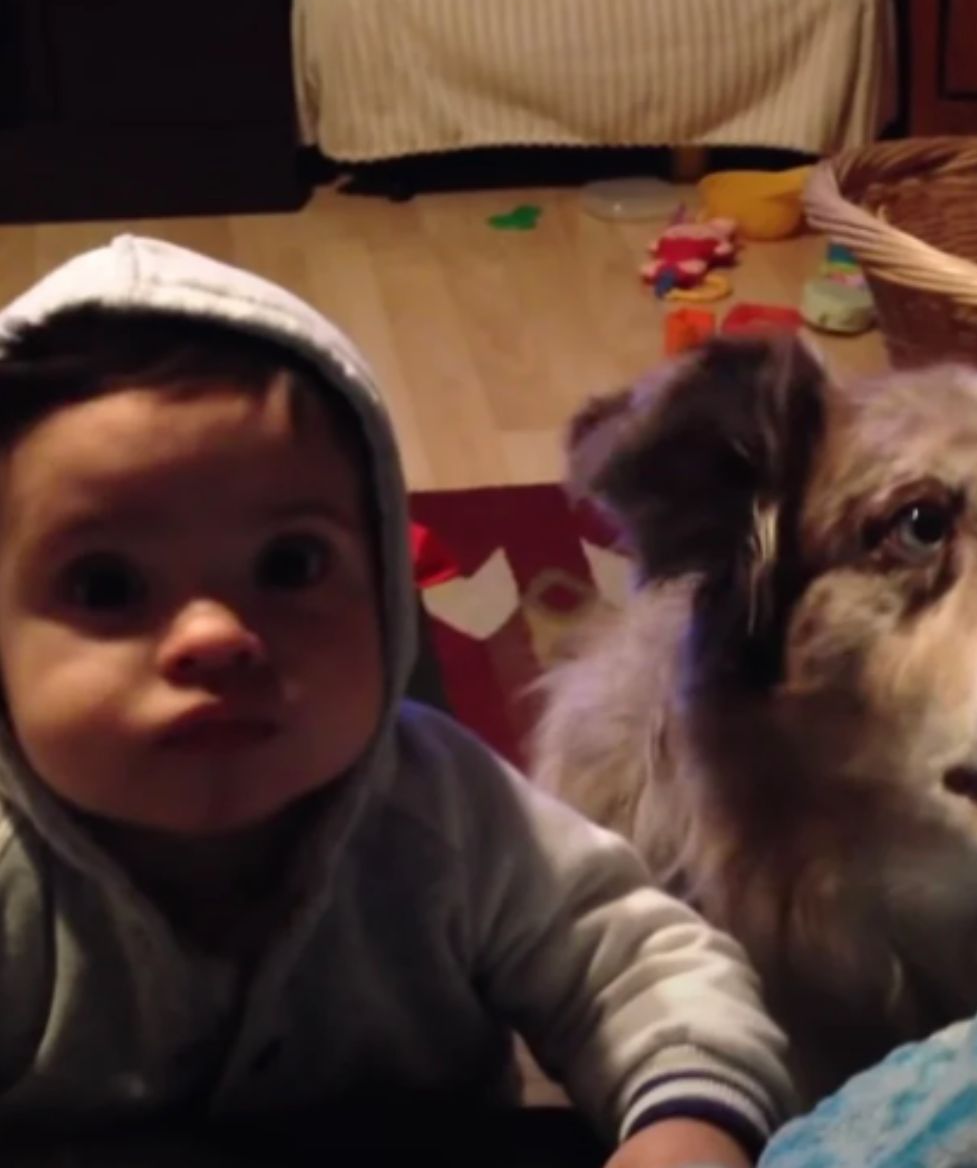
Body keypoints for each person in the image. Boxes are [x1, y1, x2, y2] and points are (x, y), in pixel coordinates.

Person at [0, 237, 793, 1166]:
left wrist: (685, 1124)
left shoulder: (444, 808)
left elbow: (633, 965)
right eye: (105, 586)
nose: (214, 634)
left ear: (384, 595)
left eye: (289, 565)